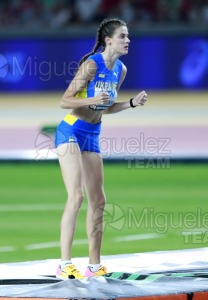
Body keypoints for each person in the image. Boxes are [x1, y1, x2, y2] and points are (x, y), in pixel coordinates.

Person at [54, 18, 147, 280]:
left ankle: (94, 266)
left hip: (92, 134)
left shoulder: (121, 69)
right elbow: (64, 101)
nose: (128, 40)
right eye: (123, 36)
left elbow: (107, 107)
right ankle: (64, 263)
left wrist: (130, 103)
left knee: (99, 200)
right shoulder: (92, 64)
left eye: (128, 36)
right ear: (108, 40)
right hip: (71, 129)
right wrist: (93, 99)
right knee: (76, 196)